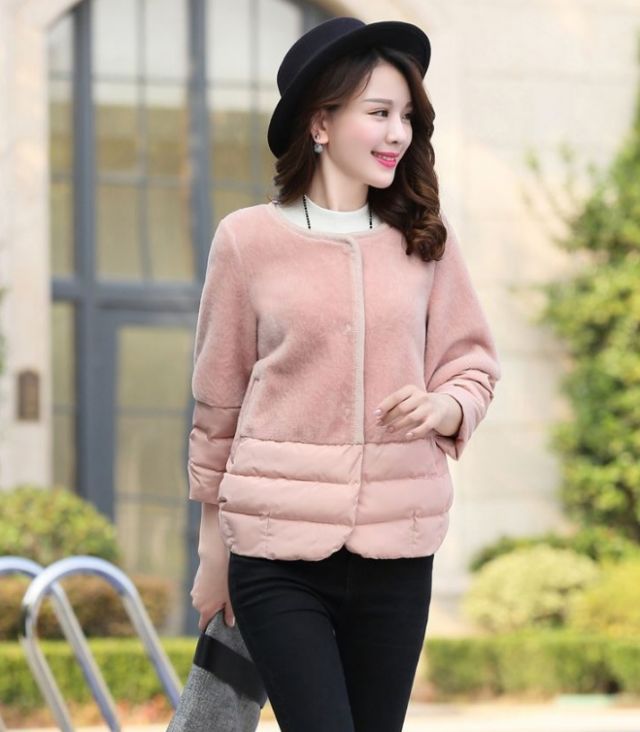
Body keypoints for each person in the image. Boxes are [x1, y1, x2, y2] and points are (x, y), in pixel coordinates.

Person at [187, 16, 501, 732]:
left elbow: (472, 363)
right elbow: (218, 401)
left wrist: (447, 407)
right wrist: (212, 550)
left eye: (407, 117)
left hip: (399, 547)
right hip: (275, 552)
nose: (399, 134)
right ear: (320, 122)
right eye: (379, 113)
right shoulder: (246, 240)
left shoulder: (425, 240)